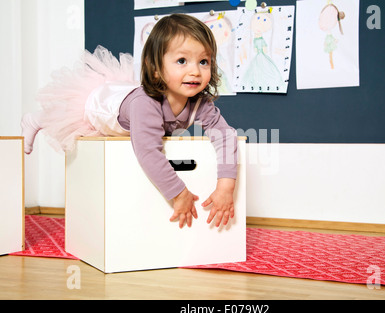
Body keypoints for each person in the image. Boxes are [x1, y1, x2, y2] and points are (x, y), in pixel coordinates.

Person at [21, 14, 238, 229]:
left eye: (204, 62)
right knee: (67, 114)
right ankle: (35, 120)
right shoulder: (146, 104)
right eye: (182, 61)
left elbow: (226, 135)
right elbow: (148, 152)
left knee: (144, 123)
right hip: (102, 106)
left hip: (134, 107)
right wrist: (179, 193)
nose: (195, 71)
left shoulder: (200, 102)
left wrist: (225, 187)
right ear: (155, 68)